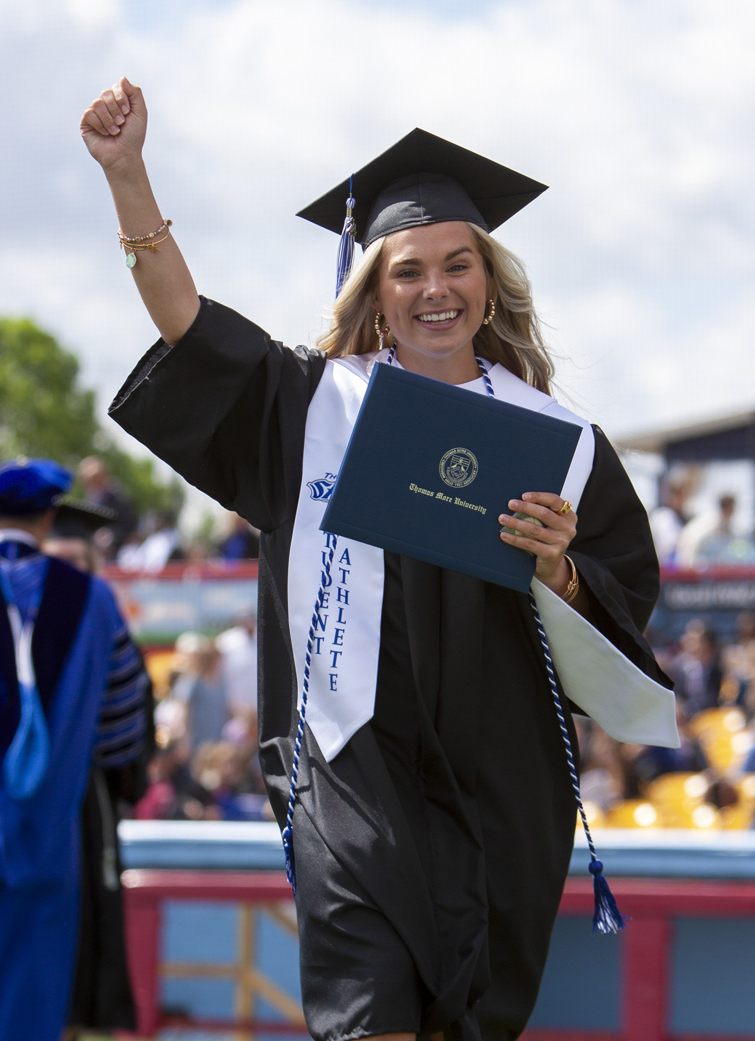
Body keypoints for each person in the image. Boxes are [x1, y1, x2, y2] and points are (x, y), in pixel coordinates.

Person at [81, 78, 678, 1041]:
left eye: (457, 265)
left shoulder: (564, 444)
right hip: (349, 759)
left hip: (502, 786)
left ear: (490, 281)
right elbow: (187, 322)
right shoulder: (314, 406)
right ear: (373, 285)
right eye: (406, 270)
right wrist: (127, 175)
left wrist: (561, 568)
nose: (434, 289)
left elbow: (623, 613)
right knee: (366, 1016)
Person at [0, 458, 149, 1041]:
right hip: (51, 838)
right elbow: (121, 723)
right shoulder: (95, 601)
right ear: (47, 516)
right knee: (32, 1002)